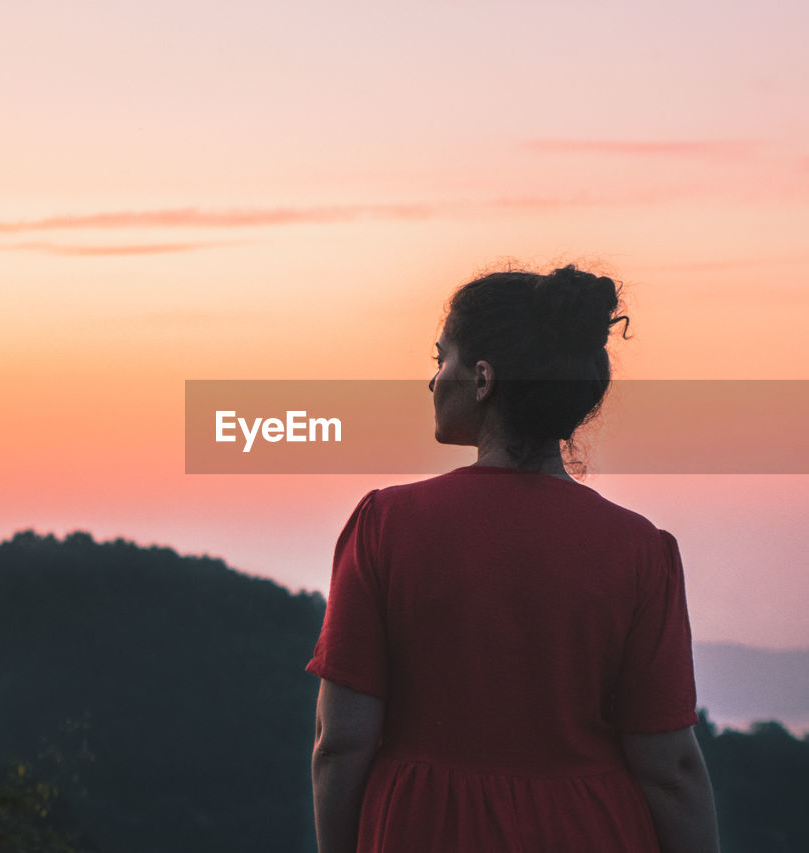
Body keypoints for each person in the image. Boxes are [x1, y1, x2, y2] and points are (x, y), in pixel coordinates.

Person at [306, 264, 720, 853]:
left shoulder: (387, 526)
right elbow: (670, 765)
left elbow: (339, 743)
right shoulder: (640, 551)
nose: (431, 382)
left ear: (481, 379)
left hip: (422, 829)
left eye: (439, 358)